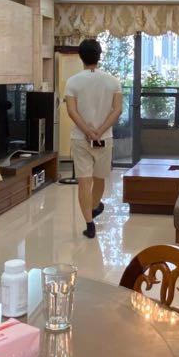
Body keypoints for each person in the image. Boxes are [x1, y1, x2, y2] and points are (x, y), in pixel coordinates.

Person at [64, 38, 122, 239]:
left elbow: (71, 111)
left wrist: (88, 131)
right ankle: (94, 207)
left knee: (84, 182)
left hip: (80, 139)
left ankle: (89, 224)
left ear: (81, 56)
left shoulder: (72, 81)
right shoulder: (113, 81)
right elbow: (117, 110)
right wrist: (100, 131)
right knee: (99, 179)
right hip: (104, 138)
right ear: (99, 56)